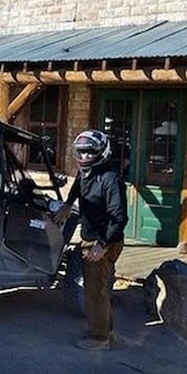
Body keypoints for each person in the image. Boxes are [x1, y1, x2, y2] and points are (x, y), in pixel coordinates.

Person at [57, 129, 128, 350]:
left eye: (90, 153)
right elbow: (78, 186)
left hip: (105, 241)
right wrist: (68, 205)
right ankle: (107, 329)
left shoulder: (110, 179)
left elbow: (119, 217)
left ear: (102, 153)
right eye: (81, 152)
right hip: (90, 238)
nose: (85, 157)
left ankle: (99, 338)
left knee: (94, 291)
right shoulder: (86, 174)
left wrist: (102, 245)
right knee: (98, 287)